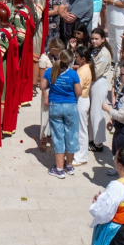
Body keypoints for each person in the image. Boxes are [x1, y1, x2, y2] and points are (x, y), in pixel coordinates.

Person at [41, 48, 82, 178]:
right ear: (70, 62)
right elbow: (79, 92)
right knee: (71, 135)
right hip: (70, 106)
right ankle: (69, 165)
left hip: (55, 106)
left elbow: (42, 86)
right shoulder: (73, 74)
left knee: (58, 136)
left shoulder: (50, 71)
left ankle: (59, 168)